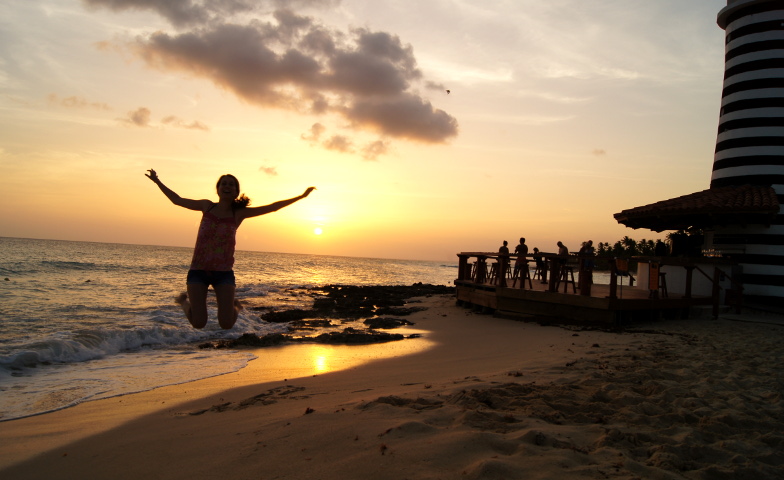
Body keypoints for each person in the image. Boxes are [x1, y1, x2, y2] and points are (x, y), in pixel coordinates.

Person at [146, 169, 315, 329]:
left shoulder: (238, 214)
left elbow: (273, 207)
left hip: (223, 273)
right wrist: (157, 181)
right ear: (218, 189)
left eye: (231, 184)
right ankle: (184, 302)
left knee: (226, 324)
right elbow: (177, 200)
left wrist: (301, 196)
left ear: (236, 192)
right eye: (223, 184)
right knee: (199, 323)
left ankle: (237, 307)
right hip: (198, 271)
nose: (227, 186)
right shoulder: (207, 206)